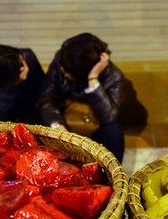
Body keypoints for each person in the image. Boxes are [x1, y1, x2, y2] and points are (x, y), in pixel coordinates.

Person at [37, 33, 125, 161]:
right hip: (63, 117)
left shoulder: (113, 76)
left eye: (67, 72)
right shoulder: (63, 59)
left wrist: (93, 80)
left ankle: (109, 177)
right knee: (37, 119)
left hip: (94, 123)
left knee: (114, 132)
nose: (62, 71)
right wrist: (57, 126)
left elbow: (108, 116)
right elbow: (46, 97)